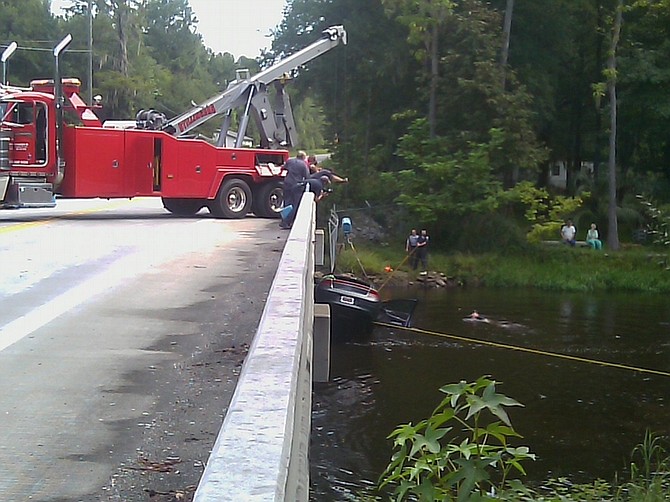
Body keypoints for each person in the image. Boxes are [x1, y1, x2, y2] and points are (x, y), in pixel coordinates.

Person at [280, 151, 310, 229]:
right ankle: (287, 221)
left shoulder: (290, 161)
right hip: (297, 185)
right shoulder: (303, 165)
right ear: (303, 157)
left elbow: (283, 167)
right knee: (295, 205)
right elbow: (307, 176)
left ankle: (283, 220)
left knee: (287, 203)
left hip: (287, 183)